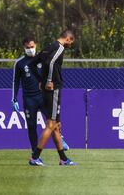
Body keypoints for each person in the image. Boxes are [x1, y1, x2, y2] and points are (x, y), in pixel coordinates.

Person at [11, 36, 69, 155]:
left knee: (53, 122)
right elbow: (15, 81)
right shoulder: (19, 63)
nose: (30, 49)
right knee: (31, 127)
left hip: (43, 97)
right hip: (29, 99)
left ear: (36, 45)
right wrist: (14, 98)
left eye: (32, 47)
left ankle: (60, 139)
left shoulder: (42, 58)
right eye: (28, 47)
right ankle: (35, 153)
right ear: (24, 47)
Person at [28, 30, 76, 166]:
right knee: (51, 124)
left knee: (55, 126)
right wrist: (48, 80)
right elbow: (50, 63)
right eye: (71, 42)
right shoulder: (59, 48)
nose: (70, 45)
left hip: (46, 89)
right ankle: (35, 157)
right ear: (68, 39)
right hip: (53, 89)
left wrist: (40, 81)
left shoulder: (48, 47)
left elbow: (32, 64)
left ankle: (63, 159)